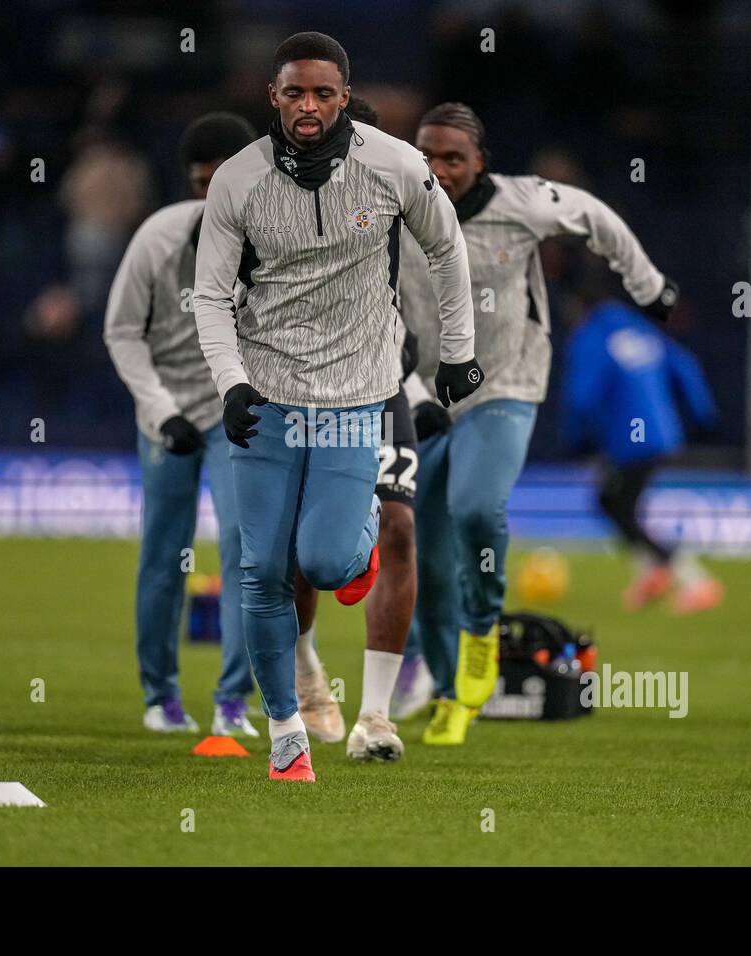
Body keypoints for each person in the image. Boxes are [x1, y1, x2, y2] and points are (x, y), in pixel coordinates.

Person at [194, 34, 482, 782]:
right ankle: (286, 733)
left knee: (325, 561)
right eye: (296, 93)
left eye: (324, 93)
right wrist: (229, 383)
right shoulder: (237, 180)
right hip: (268, 393)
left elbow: (447, 249)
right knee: (260, 570)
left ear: (346, 95)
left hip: (359, 393)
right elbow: (211, 296)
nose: (310, 106)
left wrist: (456, 351)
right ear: (274, 97)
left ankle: (351, 558)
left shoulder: (392, 164)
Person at [398, 103, 677, 745]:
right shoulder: (394, 204)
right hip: (423, 396)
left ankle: (481, 633)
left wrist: (648, 284)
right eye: (428, 157)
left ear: (480, 162)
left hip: (506, 385)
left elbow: (597, 218)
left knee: (474, 508)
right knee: (426, 555)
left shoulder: (524, 203)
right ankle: (448, 688)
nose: (439, 170)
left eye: (454, 159)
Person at [104, 112, 260, 736]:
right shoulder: (158, 239)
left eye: (223, 177)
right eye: (201, 180)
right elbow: (121, 332)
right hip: (167, 415)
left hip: (236, 413)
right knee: (165, 556)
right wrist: (161, 410)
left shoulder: (277, 241)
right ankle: (160, 696)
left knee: (248, 553)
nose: (212, 191)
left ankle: (232, 703)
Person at [289, 95, 428, 762]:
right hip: (301, 388)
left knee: (399, 524)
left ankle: (376, 717)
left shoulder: (404, 202)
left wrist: (427, 378)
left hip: (381, 385)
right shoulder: (277, 199)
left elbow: (425, 298)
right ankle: (306, 664)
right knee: (302, 547)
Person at [562, 298, 722, 614]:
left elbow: (582, 397)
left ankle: (696, 582)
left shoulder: (590, 337)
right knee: (618, 504)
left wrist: (578, 438)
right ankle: (654, 573)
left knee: (616, 506)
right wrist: (704, 414)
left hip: (628, 441)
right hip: (662, 434)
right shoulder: (639, 329)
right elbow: (686, 367)